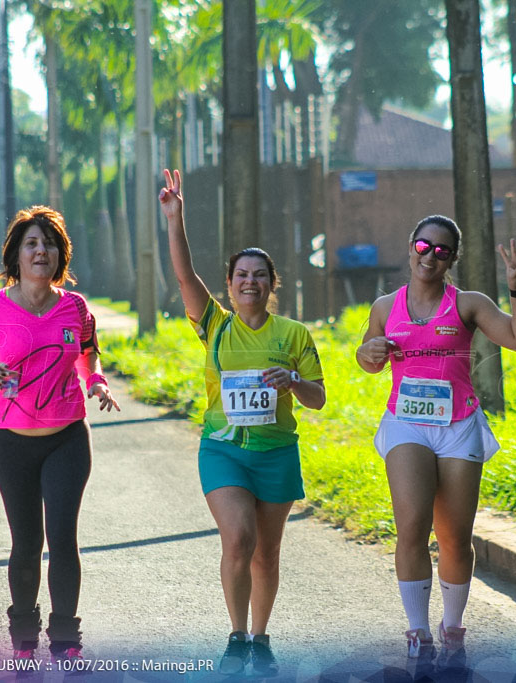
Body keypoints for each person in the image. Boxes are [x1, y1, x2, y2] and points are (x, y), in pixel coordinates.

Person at [158, 169, 326, 677]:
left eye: (259, 275)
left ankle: (261, 635)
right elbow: (186, 277)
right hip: (224, 450)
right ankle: (236, 636)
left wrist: (293, 382)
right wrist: (175, 218)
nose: (249, 282)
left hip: (276, 452)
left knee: (268, 553)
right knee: (239, 538)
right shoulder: (214, 325)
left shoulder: (294, 334)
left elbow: (318, 398)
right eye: (240, 275)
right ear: (229, 285)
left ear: (271, 284)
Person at [355, 215, 516, 669]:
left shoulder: (468, 304)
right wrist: (369, 353)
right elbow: (367, 357)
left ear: (451, 258)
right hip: (406, 424)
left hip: (458, 424)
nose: (430, 256)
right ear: (411, 247)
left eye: (441, 250)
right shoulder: (385, 306)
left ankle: (452, 629)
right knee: (412, 527)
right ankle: (417, 632)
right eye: (423, 246)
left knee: (455, 537)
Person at [0, 206, 120, 664]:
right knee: (27, 545)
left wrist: (97, 382)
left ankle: (66, 642)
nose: (40, 250)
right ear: (16, 254)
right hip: (13, 443)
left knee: (63, 538)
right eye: (31, 243)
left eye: (48, 243)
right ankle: (24, 639)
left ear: (59, 254)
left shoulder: (75, 306)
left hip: (66, 437)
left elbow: (89, 355)